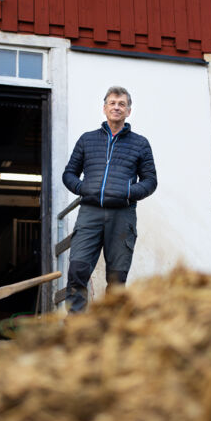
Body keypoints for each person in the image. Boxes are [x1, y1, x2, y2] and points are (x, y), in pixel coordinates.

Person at [62, 86, 157, 313]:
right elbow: (69, 174)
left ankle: (109, 331)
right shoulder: (87, 140)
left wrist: (127, 192)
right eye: (112, 103)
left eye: (121, 104)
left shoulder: (140, 143)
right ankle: (75, 328)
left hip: (122, 216)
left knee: (117, 278)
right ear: (104, 108)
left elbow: (150, 180)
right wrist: (84, 188)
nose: (116, 107)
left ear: (129, 111)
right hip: (90, 213)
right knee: (77, 269)